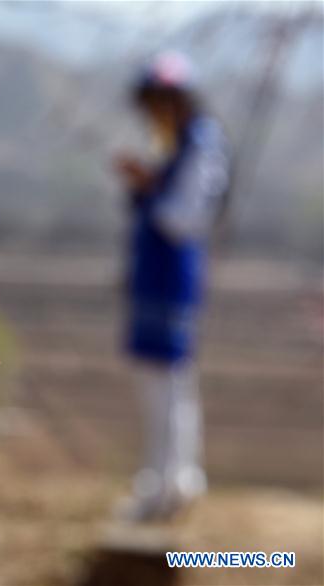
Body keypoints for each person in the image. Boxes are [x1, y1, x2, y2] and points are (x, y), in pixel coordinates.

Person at [113, 52, 230, 522]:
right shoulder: (176, 142)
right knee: (159, 379)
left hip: (171, 274)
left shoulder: (200, 143)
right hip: (154, 272)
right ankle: (170, 477)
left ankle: (167, 483)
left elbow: (184, 218)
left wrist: (149, 187)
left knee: (167, 381)